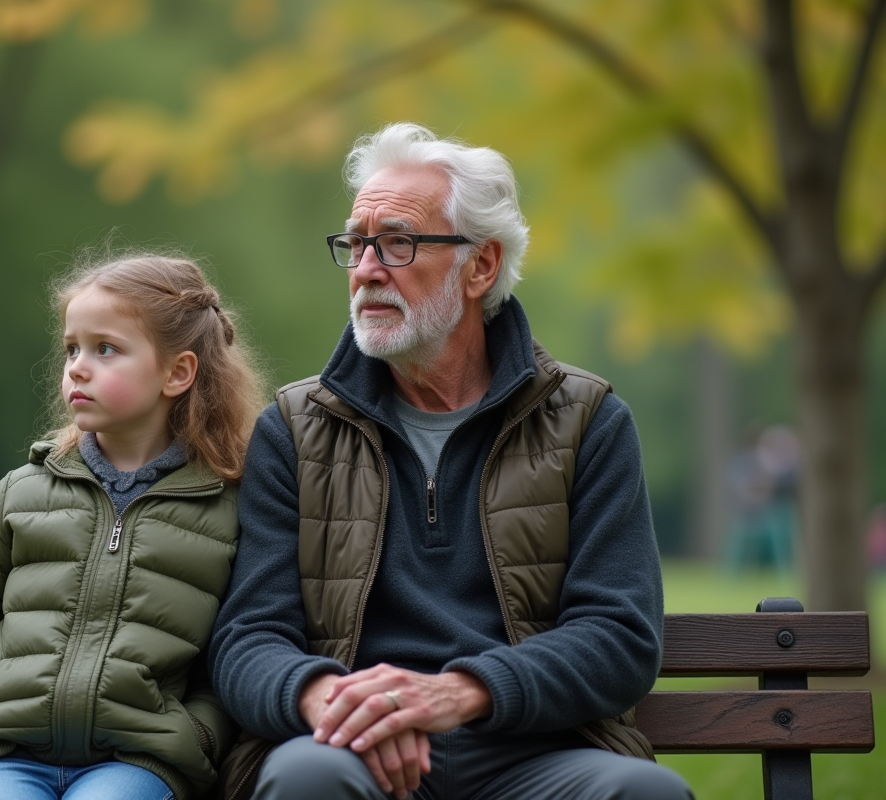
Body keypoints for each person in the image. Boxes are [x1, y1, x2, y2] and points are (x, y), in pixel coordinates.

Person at [209, 123, 694, 800]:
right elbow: (248, 637)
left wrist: (458, 693)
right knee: (305, 779)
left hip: (530, 750)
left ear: (482, 266)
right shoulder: (294, 429)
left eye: (398, 243)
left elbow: (619, 638)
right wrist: (333, 702)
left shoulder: (588, 420)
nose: (368, 268)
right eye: (356, 244)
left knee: (646, 795)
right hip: (353, 749)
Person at [0, 254, 265, 800]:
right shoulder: (22, 493)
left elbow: (233, 659)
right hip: (8, 758)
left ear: (177, 373)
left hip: (137, 765)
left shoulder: (229, 510)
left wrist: (194, 734)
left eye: (106, 349)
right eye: (72, 348)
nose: (77, 366)